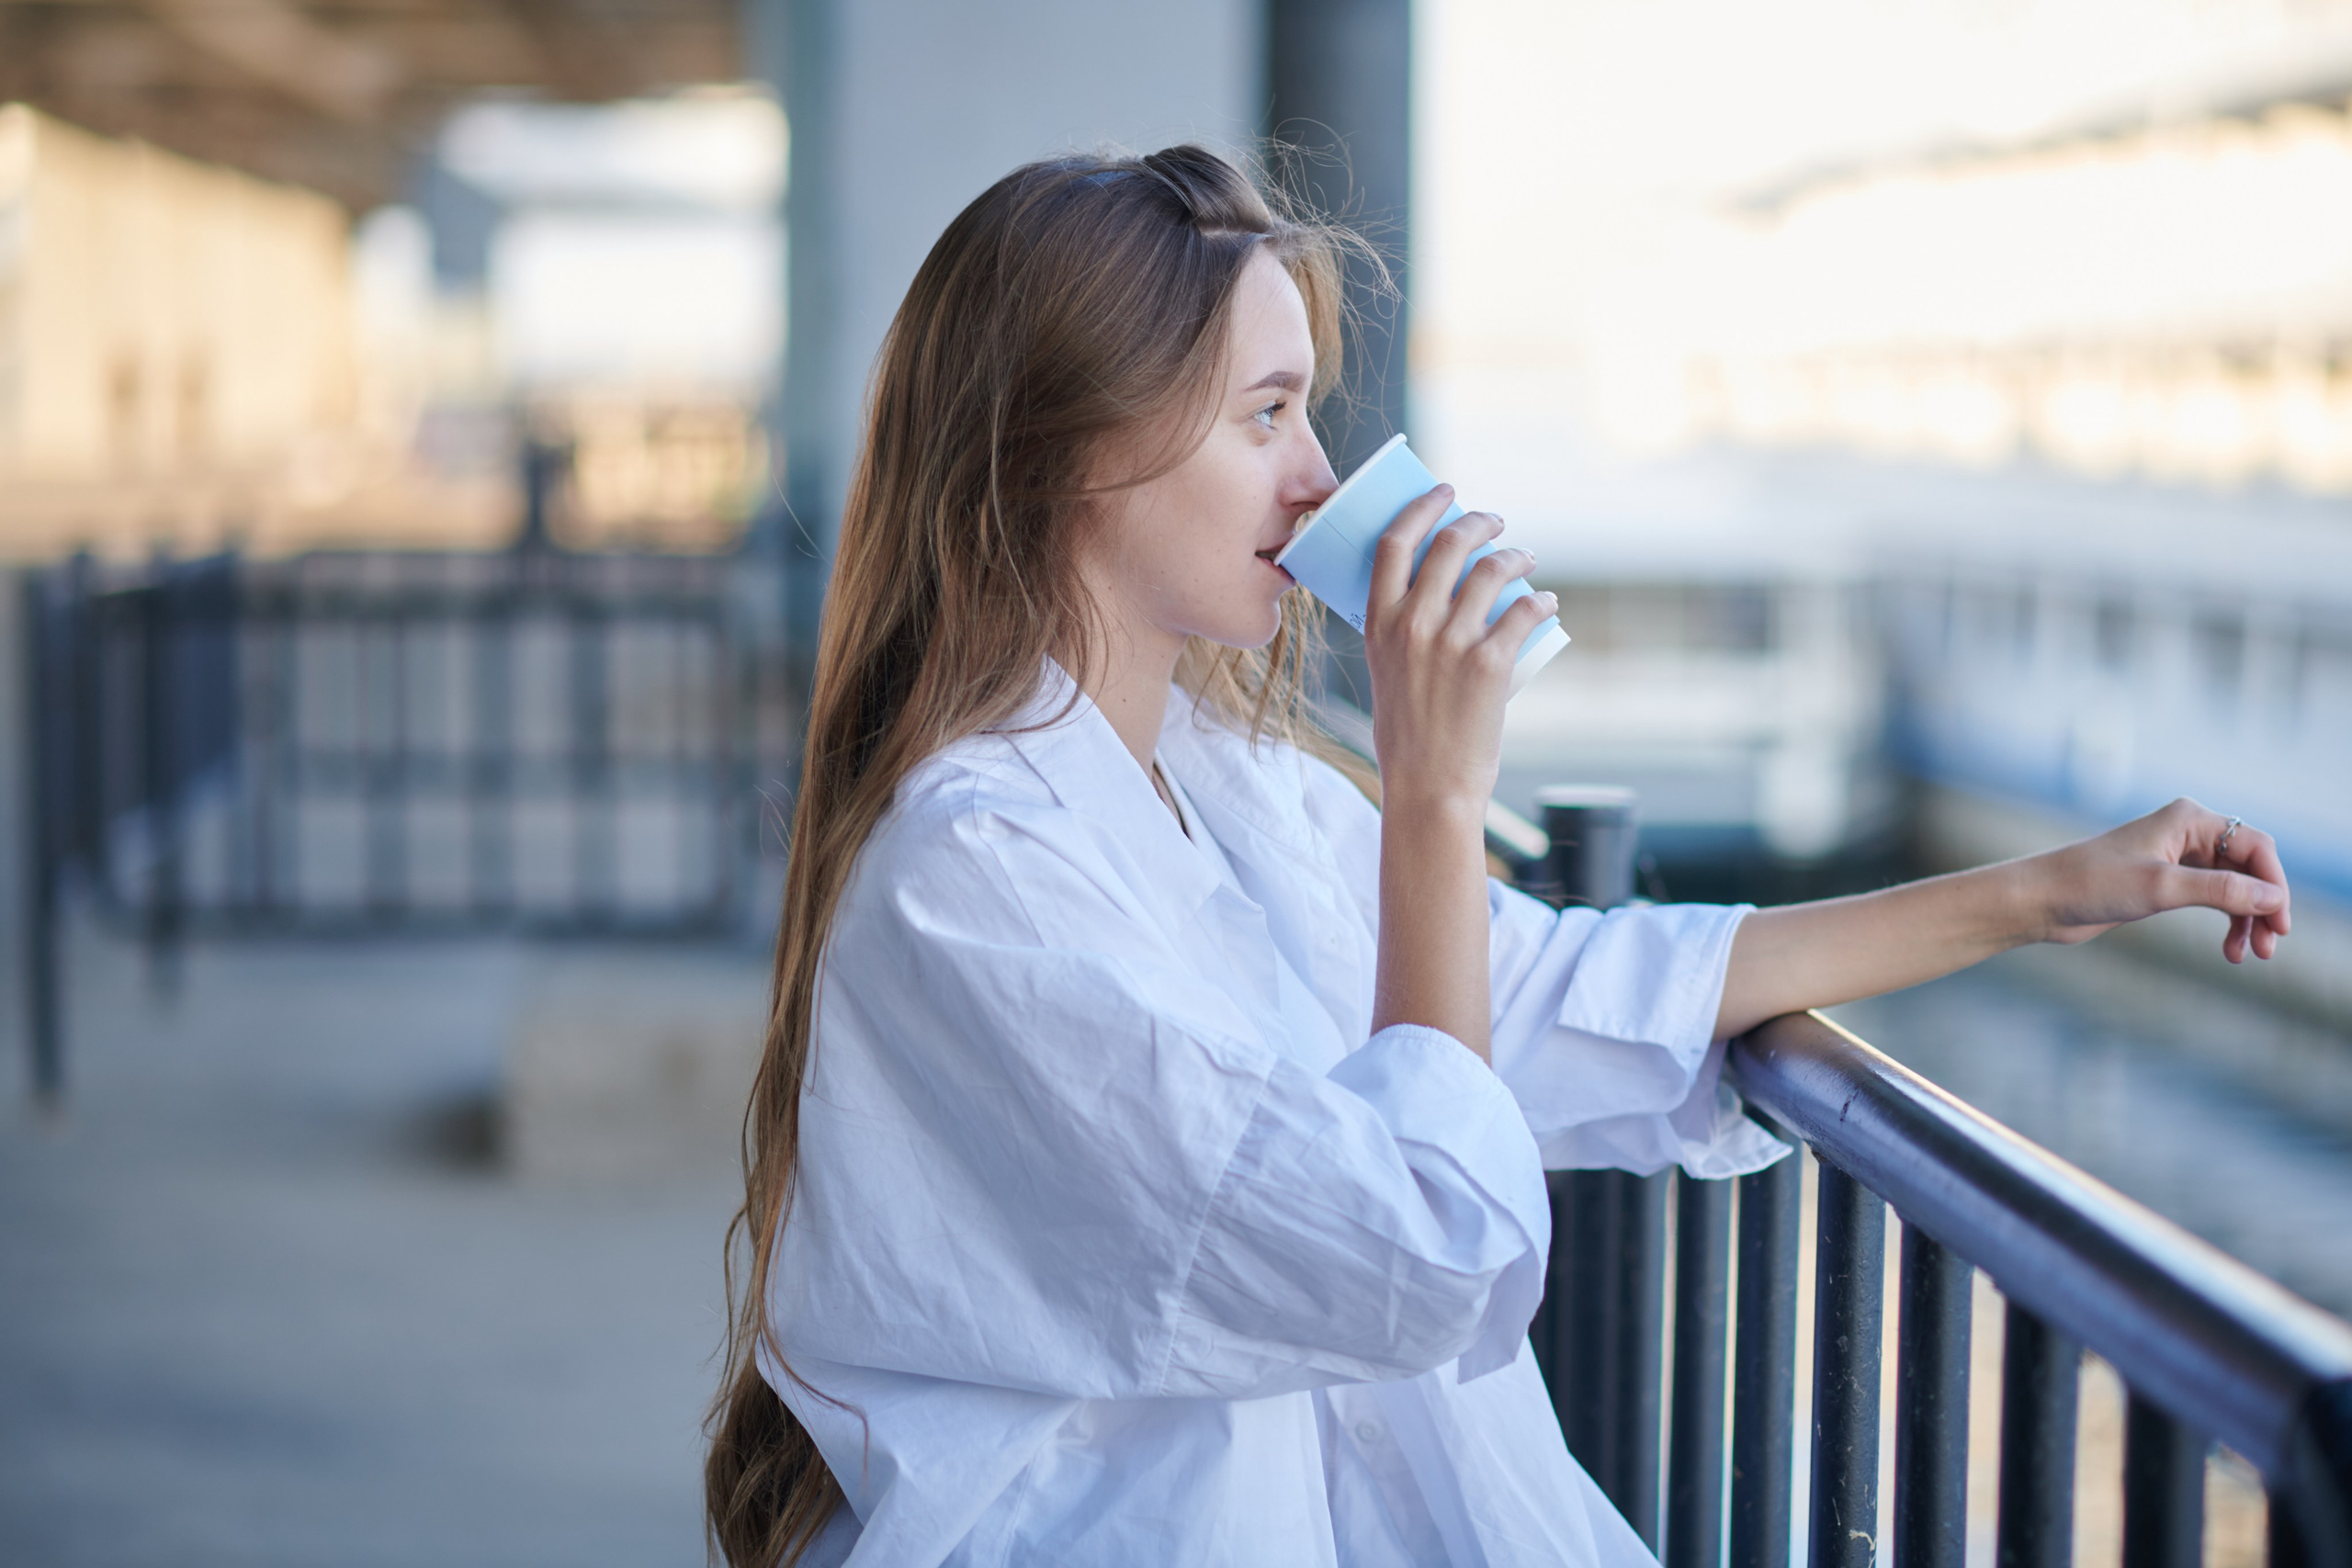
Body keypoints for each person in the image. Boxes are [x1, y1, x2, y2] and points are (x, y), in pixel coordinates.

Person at [703, 145, 2292, 1568]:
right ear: (1066, 456)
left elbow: (1579, 992)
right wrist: (1436, 799)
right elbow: (1416, 1251)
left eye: (1309, 408)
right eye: (1266, 414)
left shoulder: (1223, 782)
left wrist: (2050, 891)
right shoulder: (972, 879)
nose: (1321, 473)